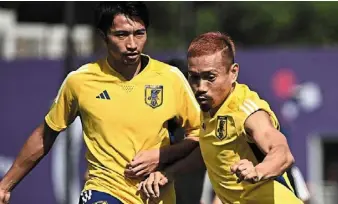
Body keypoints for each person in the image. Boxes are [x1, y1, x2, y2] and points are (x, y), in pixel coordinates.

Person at [0, 2, 201, 204]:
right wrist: (5, 186)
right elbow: (46, 134)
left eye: (139, 33)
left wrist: (162, 156)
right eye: (121, 35)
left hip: (155, 196)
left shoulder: (170, 78)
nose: (132, 44)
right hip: (103, 190)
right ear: (104, 36)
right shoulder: (80, 81)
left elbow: (200, 136)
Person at [138, 32, 303, 204]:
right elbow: (209, 150)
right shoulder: (208, 108)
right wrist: (169, 174)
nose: (200, 87)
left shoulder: (247, 111)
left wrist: (258, 171)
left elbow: (282, 154)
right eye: (194, 77)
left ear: (233, 73)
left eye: (210, 77)